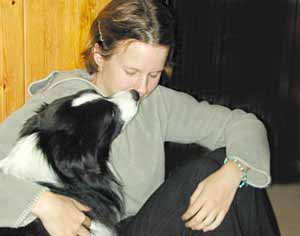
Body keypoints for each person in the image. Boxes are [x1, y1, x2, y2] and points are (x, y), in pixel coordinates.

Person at [0, 0, 280, 235]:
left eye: (155, 74)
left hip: (143, 223)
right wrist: (43, 203)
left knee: (227, 174)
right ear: (99, 55)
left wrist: (235, 172)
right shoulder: (62, 107)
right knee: (208, 175)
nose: (143, 89)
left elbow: (243, 124)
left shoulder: (156, 102)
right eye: (131, 72)